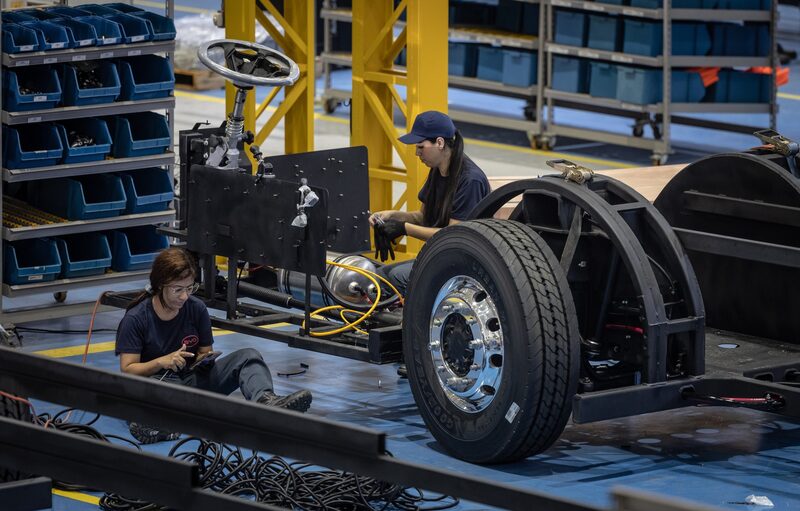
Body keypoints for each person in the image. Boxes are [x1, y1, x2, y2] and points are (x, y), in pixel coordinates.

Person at [116, 247, 312, 444]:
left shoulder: (196, 308)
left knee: (248, 356)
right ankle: (160, 421)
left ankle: (267, 404)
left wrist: (204, 359)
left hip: (191, 381)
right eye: (178, 289)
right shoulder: (136, 318)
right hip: (159, 383)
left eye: (189, 288)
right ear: (160, 285)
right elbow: (128, 370)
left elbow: (204, 350)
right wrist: (162, 362)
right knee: (153, 394)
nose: (185, 296)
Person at [369, 110, 490, 295]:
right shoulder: (438, 171)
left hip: (464, 264)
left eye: (420, 147)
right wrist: (391, 216)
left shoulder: (470, 180)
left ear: (439, 143)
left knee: (389, 281)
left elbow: (452, 235)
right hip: (441, 256)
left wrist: (404, 229)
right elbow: (423, 217)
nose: (417, 153)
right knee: (377, 274)